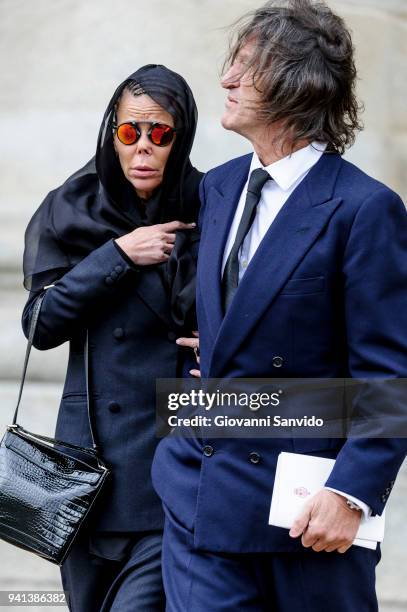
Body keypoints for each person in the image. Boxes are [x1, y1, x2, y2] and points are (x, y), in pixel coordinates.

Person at [152, 2, 407, 610]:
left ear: (296, 83)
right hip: (198, 494)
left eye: (245, 66)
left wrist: (352, 493)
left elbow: (389, 371)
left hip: (306, 516)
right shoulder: (216, 187)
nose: (226, 80)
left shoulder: (364, 209)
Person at [22, 64, 202, 612]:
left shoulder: (212, 205)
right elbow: (41, 325)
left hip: (172, 467)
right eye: (130, 132)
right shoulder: (69, 207)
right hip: (87, 475)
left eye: (161, 133)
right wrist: (120, 254)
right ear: (112, 133)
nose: (143, 147)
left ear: (181, 137)